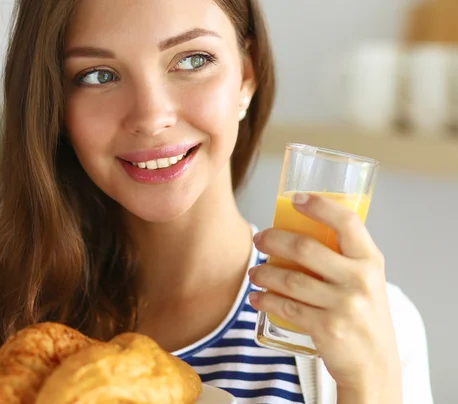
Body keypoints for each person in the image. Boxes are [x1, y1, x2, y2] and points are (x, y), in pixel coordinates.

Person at [0, 0, 434, 403]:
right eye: (98, 74)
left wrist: (370, 384)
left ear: (246, 76)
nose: (152, 118)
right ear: (54, 105)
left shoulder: (362, 323)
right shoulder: (16, 310)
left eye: (192, 60)